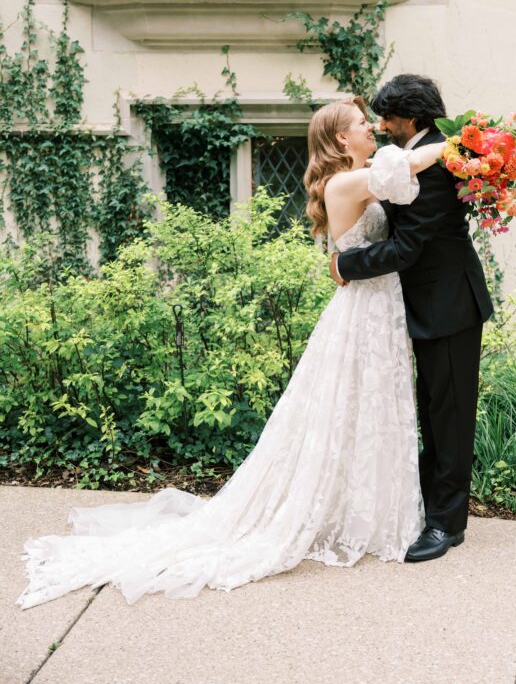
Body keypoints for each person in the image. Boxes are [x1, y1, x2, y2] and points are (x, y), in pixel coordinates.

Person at [16, 97, 445, 609]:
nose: (371, 127)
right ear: (339, 139)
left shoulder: (359, 176)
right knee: (354, 404)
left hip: (376, 304)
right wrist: (464, 143)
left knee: (366, 407)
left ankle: (364, 508)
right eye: (360, 124)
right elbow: (413, 162)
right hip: (364, 310)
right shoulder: (343, 183)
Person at [331, 74, 494, 563]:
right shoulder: (421, 152)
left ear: (412, 117)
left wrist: (345, 265)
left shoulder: (436, 162)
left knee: (450, 416)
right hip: (428, 305)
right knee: (433, 410)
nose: (382, 126)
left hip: (450, 305)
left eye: (388, 117)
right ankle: (431, 507)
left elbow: (406, 248)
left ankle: (447, 525)